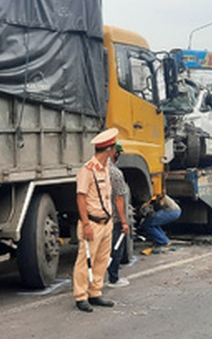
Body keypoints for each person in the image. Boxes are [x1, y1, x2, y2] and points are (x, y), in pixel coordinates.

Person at [73, 127, 118, 313]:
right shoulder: (87, 170)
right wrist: (85, 224)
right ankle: (81, 296)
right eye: (114, 148)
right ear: (108, 149)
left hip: (106, 222)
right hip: (91, 223)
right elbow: (80, 197)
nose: (115, 151)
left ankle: (95, 292)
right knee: (85, 261)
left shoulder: (106, 168)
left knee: (102, 259)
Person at [106, 142, 130, 288]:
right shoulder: (116, 173)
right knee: (116, 249)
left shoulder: (97, 169)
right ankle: (113, 278)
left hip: (101, 217)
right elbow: (119, 198)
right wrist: (124, 221)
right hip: (114, 217)